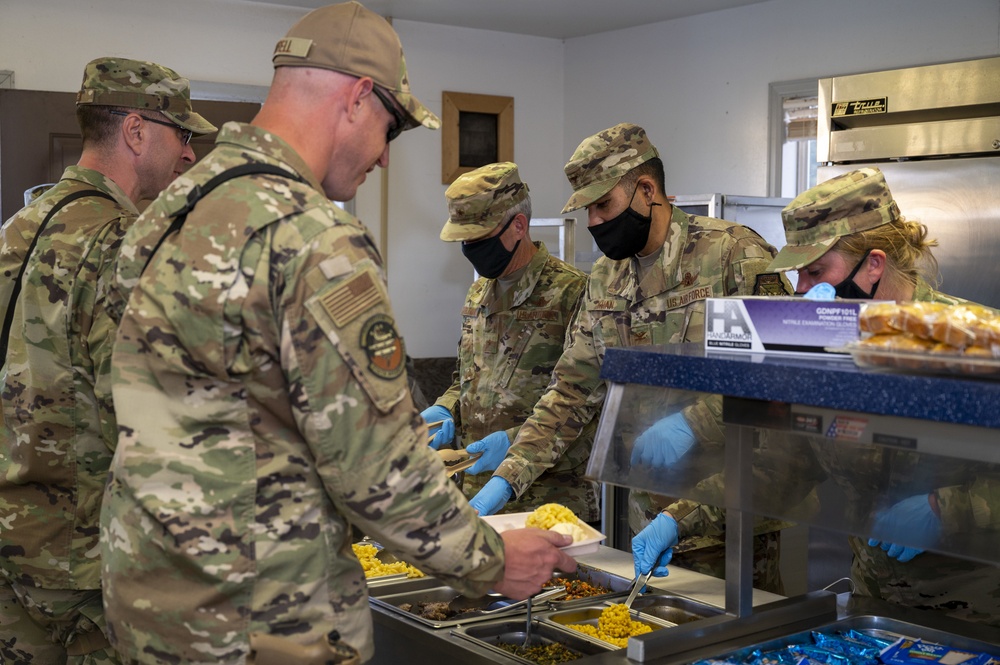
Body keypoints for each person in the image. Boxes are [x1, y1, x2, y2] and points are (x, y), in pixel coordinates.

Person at [99, 4, 576, 664]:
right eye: (389, 130)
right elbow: (380, 470)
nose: (383, 158)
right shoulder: (313, 237)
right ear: (356, 97)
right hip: (264, 618)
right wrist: (492, 558)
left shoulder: (172, 209)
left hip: (150, 601)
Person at [470, 122, 794, 592]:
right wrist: (510, 476)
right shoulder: (607, 277)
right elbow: (573, 389)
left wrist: (694, 423)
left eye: (603, 205)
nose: (594, 222)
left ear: (646, 189)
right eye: (587, 210)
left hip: (728, 520)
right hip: (646, 516)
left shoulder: (733, 256)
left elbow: (781, 381)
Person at [0, 57, 215, 664]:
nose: (189, 155)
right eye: (182, 134)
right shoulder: (125, 243)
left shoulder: (19, 227)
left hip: (17, 551)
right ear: (137, 131)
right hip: (90, 571)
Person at [762, 167, 1000, 627]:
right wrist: (684, 518)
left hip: (981, 617)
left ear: (873, 264)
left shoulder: (978, 341)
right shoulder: (828, 343)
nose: (803, 291)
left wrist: (945, 509)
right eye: (799, 275)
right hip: (874, 610)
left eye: (815, 272)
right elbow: (790, 458)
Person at [422, 162, 598, 521]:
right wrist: (447, 408)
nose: (470, 249)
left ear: (518, 226)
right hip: (474, 494)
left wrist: (515, 441)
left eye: (479, 238)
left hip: (548, 504)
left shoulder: (573, 292)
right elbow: (468, 380)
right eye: (464, 241)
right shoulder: (479, 294)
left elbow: (590, 407)